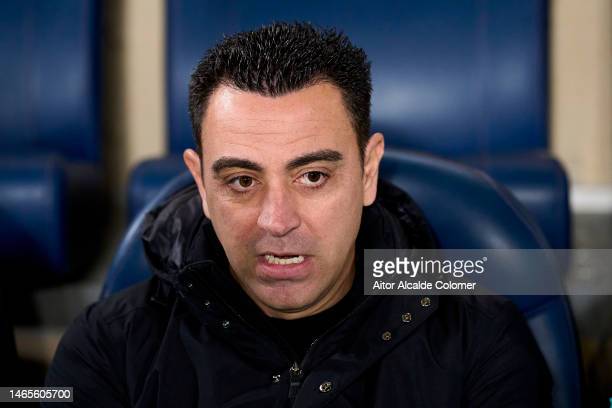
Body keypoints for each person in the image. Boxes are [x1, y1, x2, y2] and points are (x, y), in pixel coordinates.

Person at [45, 22, 551, 407]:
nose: (277, 220)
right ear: (201, 184)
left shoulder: (481, 343)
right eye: (242, 181)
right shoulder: (106, 347)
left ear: (368, 172)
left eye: (312, 176)